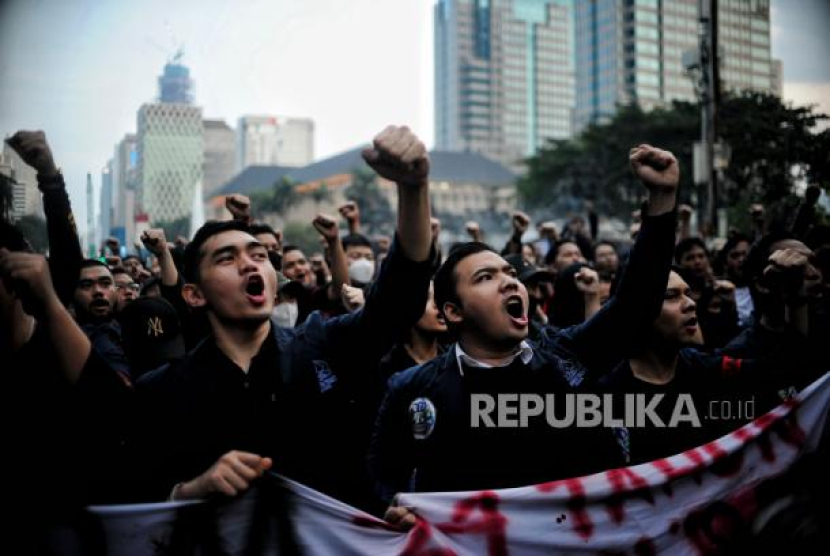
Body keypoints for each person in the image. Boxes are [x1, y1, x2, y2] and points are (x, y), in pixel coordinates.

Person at [76, 126, 435, 513]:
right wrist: (189, 491)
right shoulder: (162, 392)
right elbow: (129, 497)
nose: (249, 262)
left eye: (258, 255)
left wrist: (413, 189)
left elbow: (398, 300)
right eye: (227, 258)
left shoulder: (324, 346)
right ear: (194, 294)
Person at [371, 144, 680, 522]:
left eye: (511, 275)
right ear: (452, 311)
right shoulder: (411, 389)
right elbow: (383, 476)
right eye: (486, 278)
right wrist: (393, 511)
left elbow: (636, 306)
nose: (509, 284)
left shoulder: (568, 358)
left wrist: (662, 200)